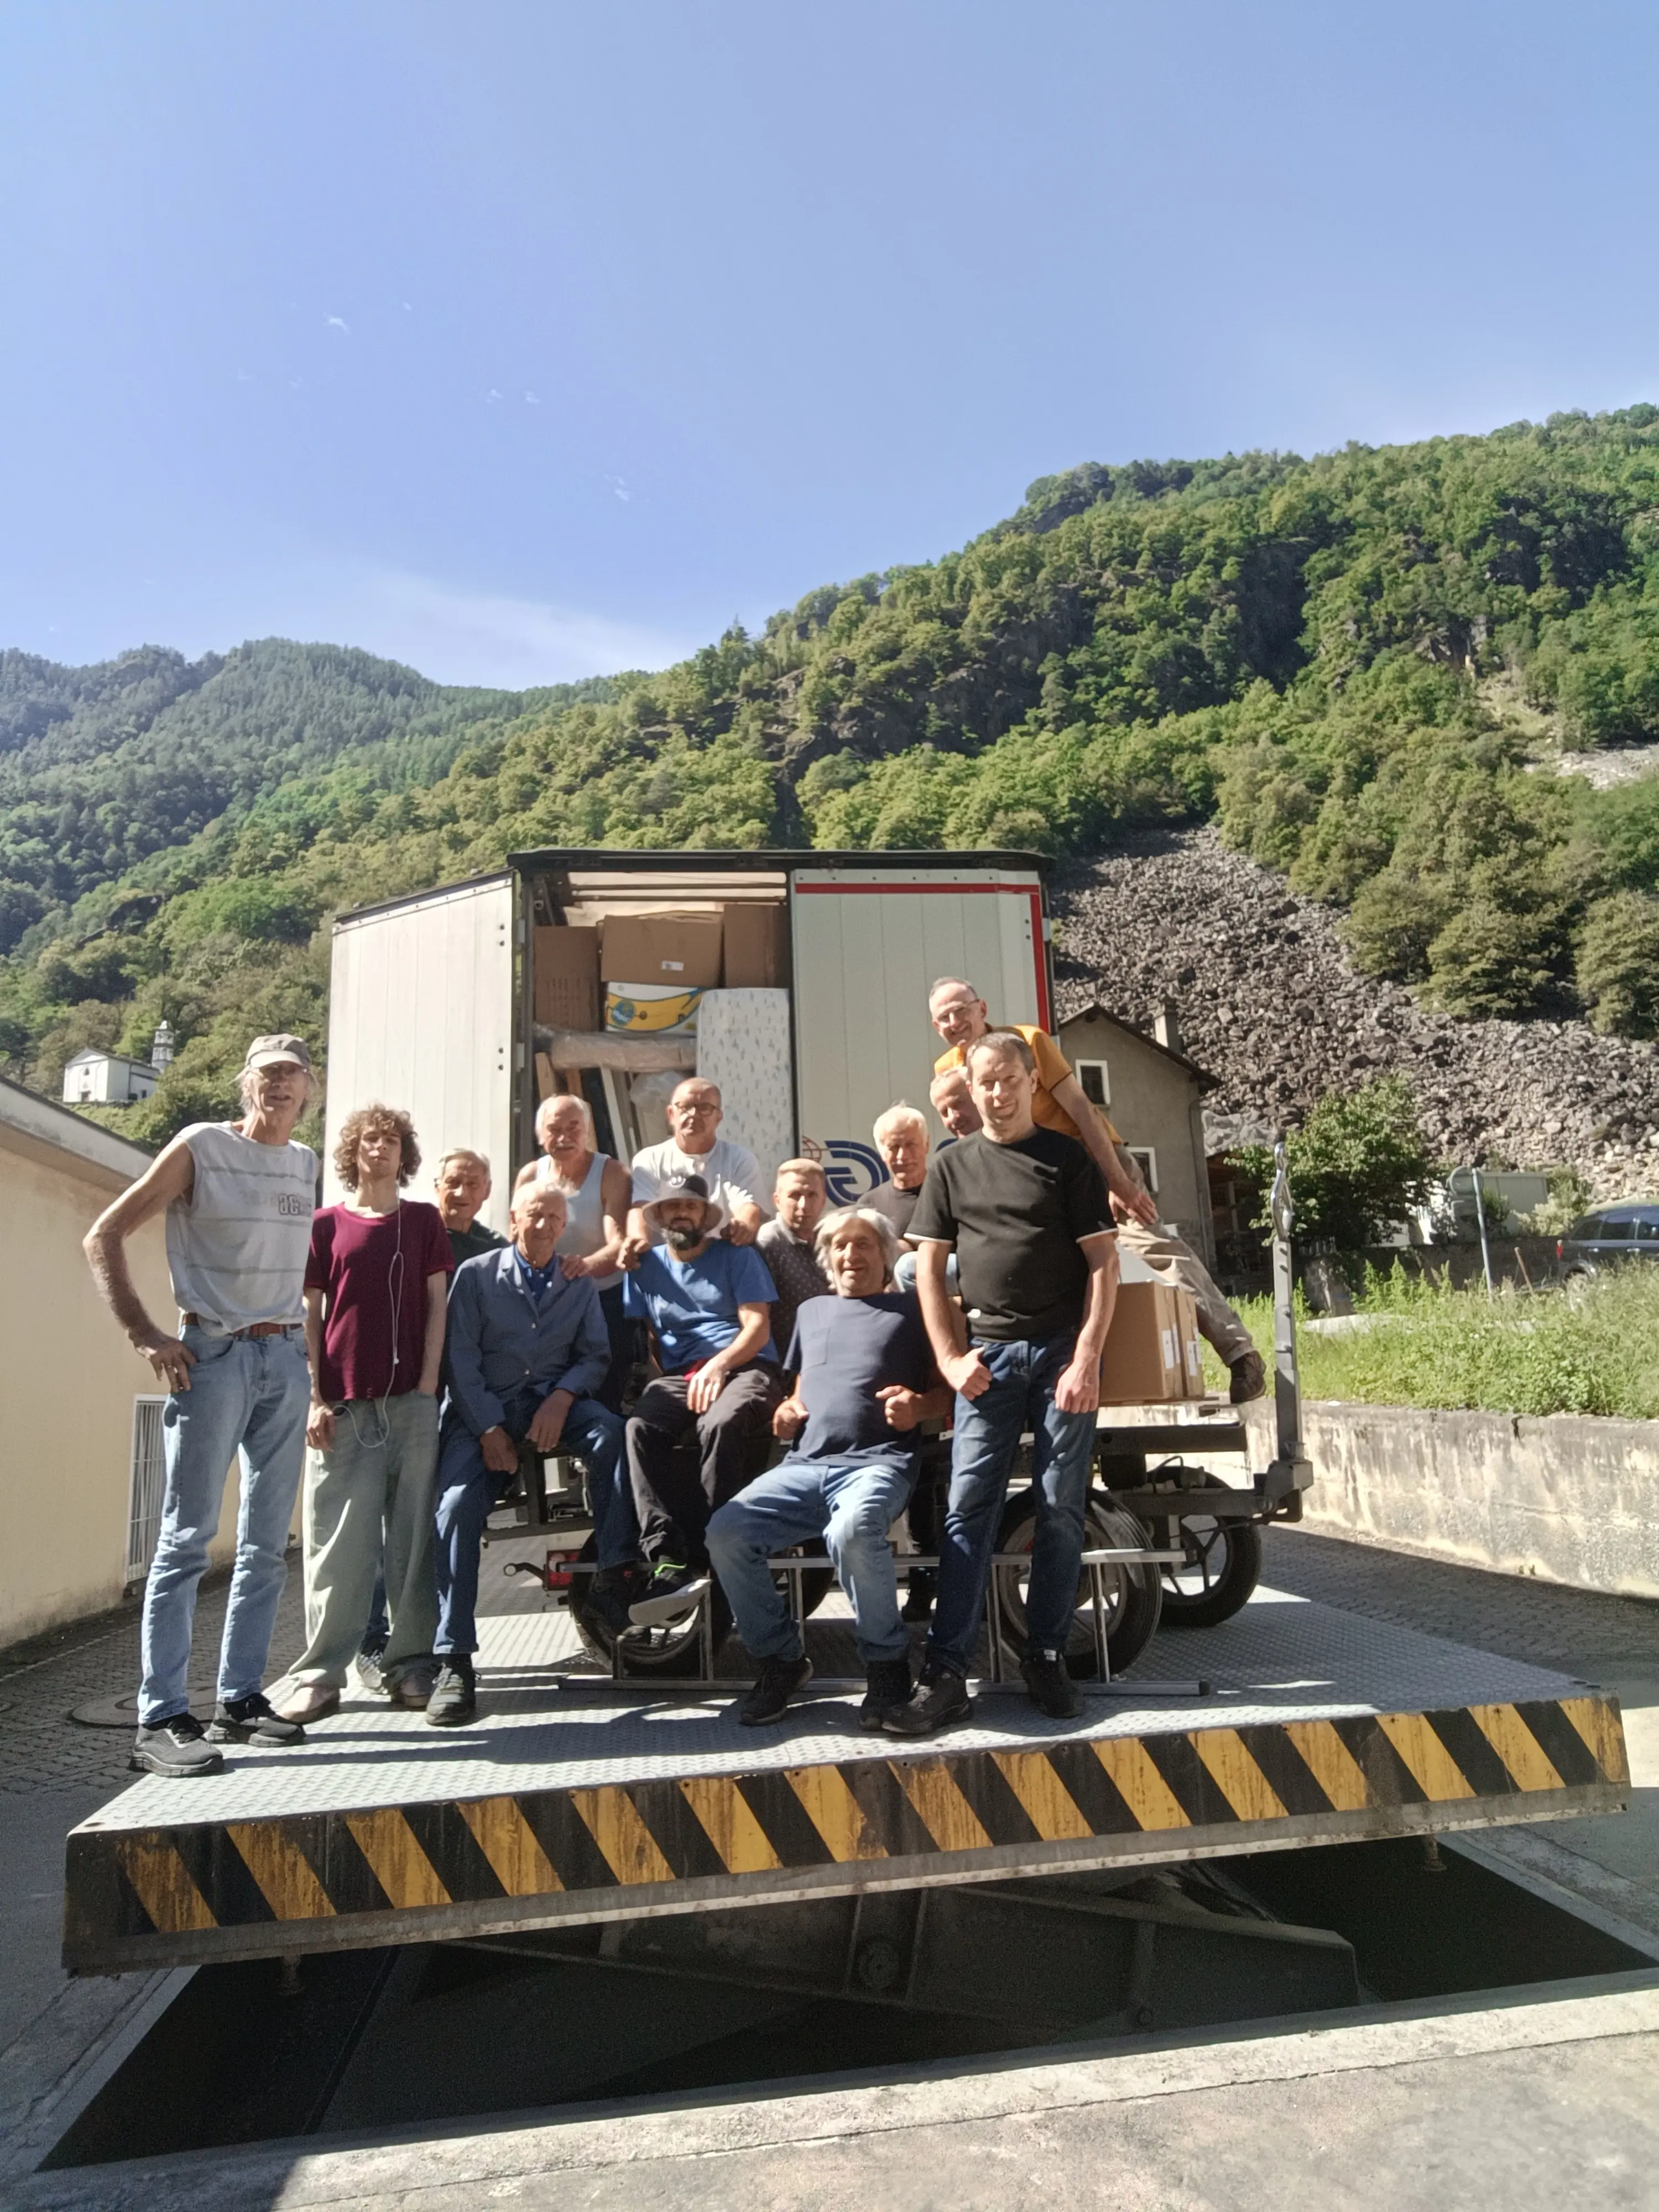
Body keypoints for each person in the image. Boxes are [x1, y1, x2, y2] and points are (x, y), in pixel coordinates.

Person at [82, 1035, 319, 1777]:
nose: (280, 1087)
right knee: (187, 1541)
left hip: (283, 1357)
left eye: (293, 1076)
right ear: (246, 1084)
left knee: (266, 1544)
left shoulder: (305, 1163)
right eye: (269, 1074)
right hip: (211, 1357)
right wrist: (144, 1332)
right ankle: (160, 1717)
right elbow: (105, 1234)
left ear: (308, 1090)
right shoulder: (200, 1146)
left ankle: (241, 1699)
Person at [889, 1029, 1120, 1735]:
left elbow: (1105, 1266)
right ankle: (947, 1672)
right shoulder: (952, 1167)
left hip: (1058, 1359)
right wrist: (953, 1358)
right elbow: (929, 1271)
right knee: (967, 1511)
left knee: (1058, 1506)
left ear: (1030, 1081)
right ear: (972, 1087)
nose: (996, 1093)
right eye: (983, 1082)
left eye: (1007, 1079)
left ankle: (1045, 1654)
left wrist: (1086, 1359)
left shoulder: (1067, 1158)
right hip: (986, 1360)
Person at [927, 977, 1265, 1402]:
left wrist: (1117, 1181)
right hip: (1033, 1182)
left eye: (962, 1010)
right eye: (944, 1017)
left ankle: (1239, 1353)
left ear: (982, 1008)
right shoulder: (947, 1069)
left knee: (1151, 1250)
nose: (955, 1021)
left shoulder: (1029, 1041)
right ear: (936, 1026)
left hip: (1091, 1159)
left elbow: (1081, 1109)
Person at [707, 1208, 950, 1729]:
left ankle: (887, 1669)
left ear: (885, 1256)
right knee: (726, 1530)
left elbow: (947, 1394)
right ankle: (780, 1662)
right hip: (806, 1464)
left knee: (853, 1529)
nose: (850, 1255)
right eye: (840, 1245)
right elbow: (801, 1391)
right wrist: (785, 1414)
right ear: (826, 1258)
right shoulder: (813, 1311)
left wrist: (918, 1406)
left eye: (863, 1244)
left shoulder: (912, 1309)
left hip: (878, 1463)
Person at [270, 1105, 451, 1723]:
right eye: (370, 1138)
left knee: (411, 1542)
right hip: (343, 1410)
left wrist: (426, 1386)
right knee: (335, 1546)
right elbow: (310, 1318)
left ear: (406, 1155)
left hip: (411, 1407)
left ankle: (410, 1665)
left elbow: (437, 1307)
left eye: (393, 1139)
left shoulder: (424, 1222)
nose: (381, 1147)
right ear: (354, 1151)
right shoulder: (325, 1225)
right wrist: (316, 1398)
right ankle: (321, 1676)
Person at [431, 1185, 630, 1721]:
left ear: (565, 1224)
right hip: (484, 1413)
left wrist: (564, 1397)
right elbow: (460, 1361)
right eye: (534, 1214)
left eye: (555, 1216)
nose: (544, 1224)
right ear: (514, 1219)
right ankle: (454, 1659)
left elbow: (595, 1355)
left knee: (612, 1433)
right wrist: (490, 1428)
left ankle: (613, 1574)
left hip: (551, 1403)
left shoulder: (576, 1280)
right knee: (454, 1510)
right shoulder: (475, 1276)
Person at [621, 1173, 784, 1623]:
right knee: (640, 1427)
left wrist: (719, 1365)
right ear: (658, 1217)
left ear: (704, 1216)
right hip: (684, 1376)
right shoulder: (646, 1267)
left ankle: (720, 1547)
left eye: (690, 1207)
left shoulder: (737, 1257)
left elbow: (757, 1328)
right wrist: (669, 1382)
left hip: (747, 1366)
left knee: (720, 1423)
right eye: (673, 1207)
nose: (681, 1213)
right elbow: (651, 1336)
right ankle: (667, 1558)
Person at [515, 1092, 635, 1412]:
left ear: (587, 1131)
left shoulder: (612, 1174)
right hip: (547, 1300)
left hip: (601, 1299)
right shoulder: (530, 1176)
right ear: (541, 1136)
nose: (565, 1137)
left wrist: (582, 1266)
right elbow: (517, 1238)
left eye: (574, 1127)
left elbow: (618, 1242)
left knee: (601, 1392)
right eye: (555, 1128)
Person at [623, 1077, 766, 1258]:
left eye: (705, 1108)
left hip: (725, 1261)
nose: (694, 1114)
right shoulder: (649, 1159)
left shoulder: (739, 1158)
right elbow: (641, 1208)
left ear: (719, 1117)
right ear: (670, 1114)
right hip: (670, 1266)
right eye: (685, 1107)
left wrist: (744, 1226)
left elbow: (748, 1206)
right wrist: (638, 1239)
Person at [756, 1157, 831, 1359]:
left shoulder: (832, 1238)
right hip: (790, 1359)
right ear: (777, 1200)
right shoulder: (768, 1243)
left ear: (823, 1199)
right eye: (794, 1196)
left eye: (812, 1195)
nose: (804, 1205)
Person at [434, 1149, 505, 1265]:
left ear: (487, 1190)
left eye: (472, 1184)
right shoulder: (418, 1237)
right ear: (437, 1187)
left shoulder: (495, 1247)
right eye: (453, 1182)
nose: (462, 1193)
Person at [929, 1065, 981, 1141]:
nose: (952, 1118)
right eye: (945, 1113)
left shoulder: (1004, 1146)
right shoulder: (946, 1152)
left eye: (958, 1105)